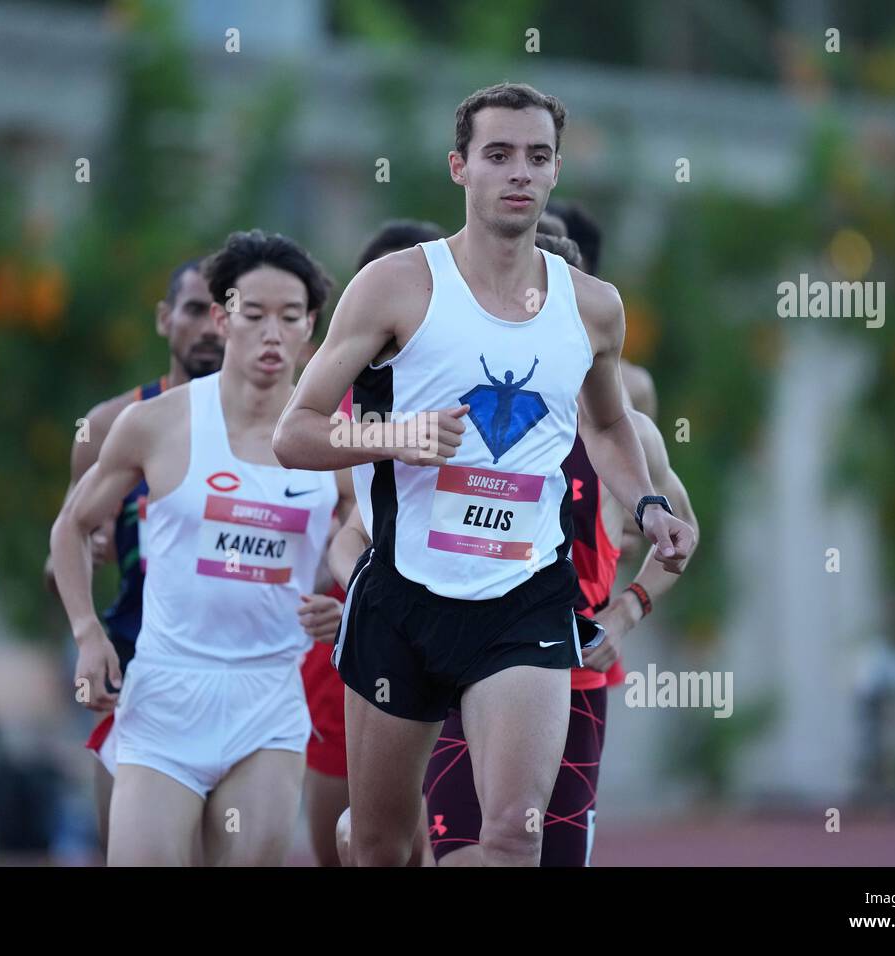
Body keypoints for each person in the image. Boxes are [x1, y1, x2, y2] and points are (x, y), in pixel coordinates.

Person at [273, 82, 695, 866]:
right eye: (498, 155)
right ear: (459, 167)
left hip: (524, 597)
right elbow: (293, 436)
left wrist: (648, 500)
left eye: (537, 157)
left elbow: (605, 423)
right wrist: (399, 436)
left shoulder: (594, 308)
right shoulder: (396, 285)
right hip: (402, 594)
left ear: (557, 171)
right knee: (378, 846)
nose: (519, 174)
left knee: (510, 837)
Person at [50, 230, 353, 865]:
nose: (273, 333)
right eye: (254, 314)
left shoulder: (335, 444)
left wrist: (347, 598)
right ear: (223, 317)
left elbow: (370, 539)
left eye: (290, 317)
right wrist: (86, 634)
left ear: (311, 328)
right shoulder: (156, 424)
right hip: (165, 693)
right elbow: (73, 525)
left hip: (268, 695)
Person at [43, 258, 222, 851]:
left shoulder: (276, 427)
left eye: (224, 312)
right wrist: (85, 615)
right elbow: (59, 557)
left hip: (241, 665)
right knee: (124, 844)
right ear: (164, 318)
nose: (210, 327)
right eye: (195, 309)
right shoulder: (107, 425)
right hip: (136, 657)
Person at [300, 219, 444, 867]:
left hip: (469, 629)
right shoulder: (330, 412)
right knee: (361, 842)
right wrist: (351, 578)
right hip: (357, 639)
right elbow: (345, 525)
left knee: (461, 834)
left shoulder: (471, 398)